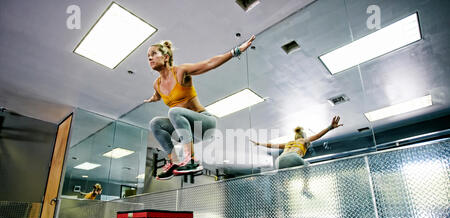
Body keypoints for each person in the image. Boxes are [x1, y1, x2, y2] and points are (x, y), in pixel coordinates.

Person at [145, 35, 256, 180]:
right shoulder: (157, 84)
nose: (150, 58)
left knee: (174, 112)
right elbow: (158, 95)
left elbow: (209, 63)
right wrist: (153, 98)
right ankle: (174, 162)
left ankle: (191, 160)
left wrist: (235, 51)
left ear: (166, 57)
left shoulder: (180, 71)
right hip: (188, 131)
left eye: (153, 54)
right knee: (155, 123)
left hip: (204, 124)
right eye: (148, 56)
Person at [251, 116, 343, 169]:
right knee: (307, 167)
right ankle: (305, 187)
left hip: (279, 161)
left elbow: (271, 146)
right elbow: (318, 136)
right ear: (303, 136)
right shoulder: (303, 140)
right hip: (293, 157)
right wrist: (330, 127)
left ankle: (283, 187)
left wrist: (259, 143)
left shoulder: (288, 143)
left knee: (285, 172)